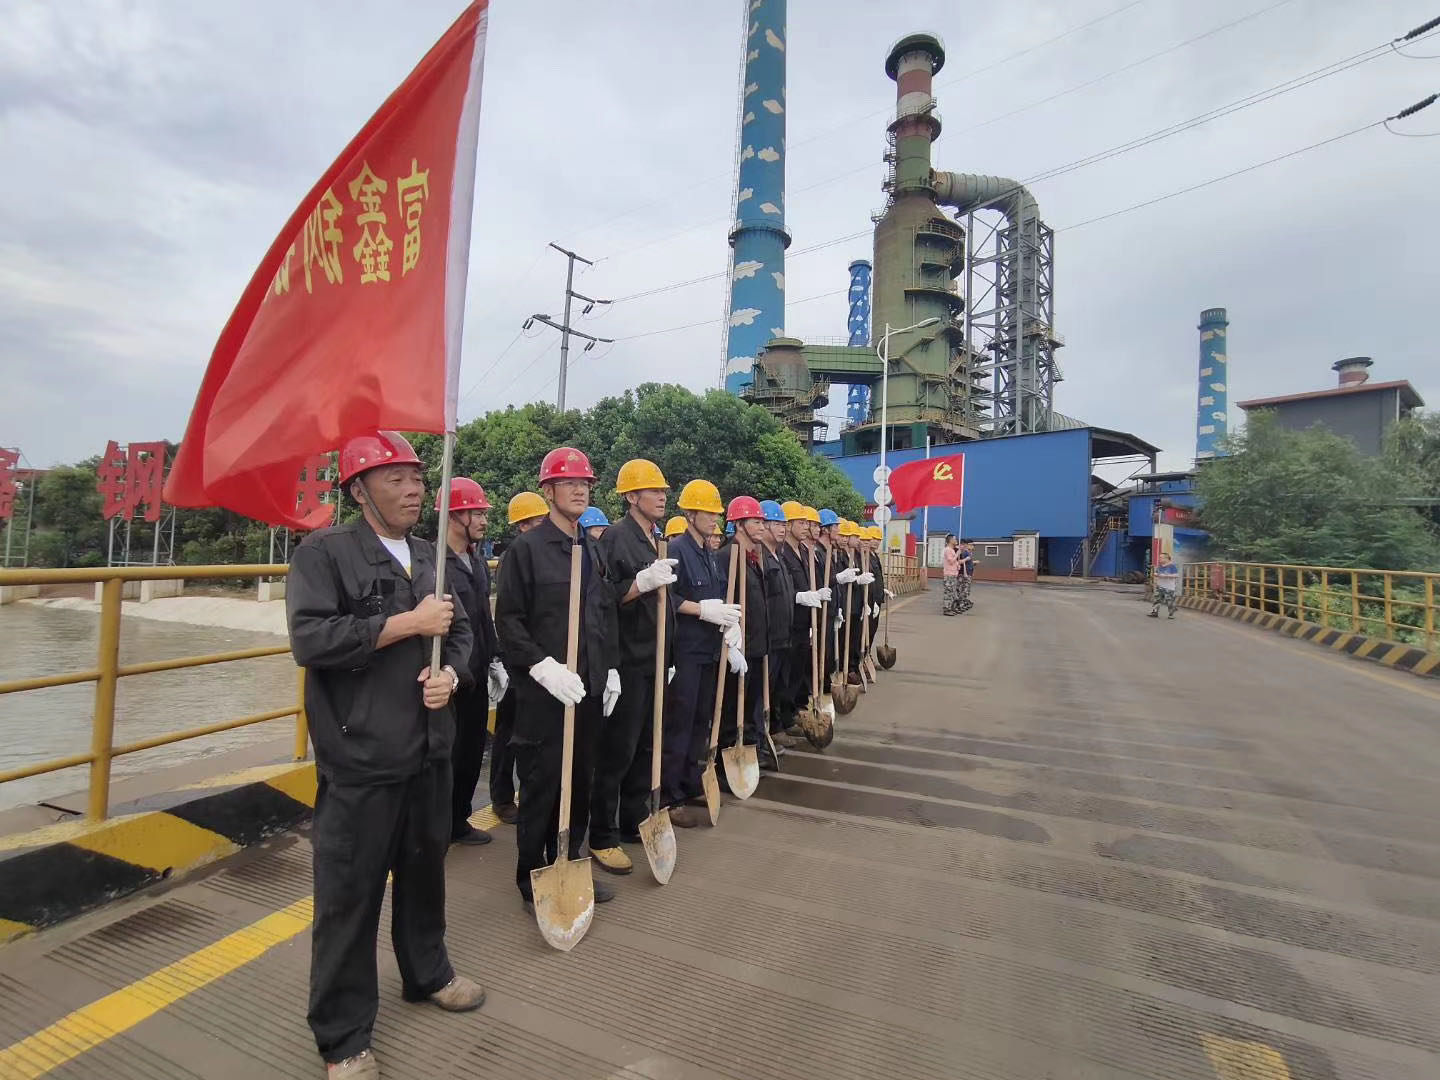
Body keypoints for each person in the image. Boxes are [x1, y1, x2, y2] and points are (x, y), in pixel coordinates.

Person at [287, 431, 484, 1080]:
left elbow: (460, 633)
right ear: (358, 490)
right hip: (362, 757)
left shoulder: (430, 556)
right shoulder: (324, 553)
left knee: (426, 876)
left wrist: (451, 675)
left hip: (430, 750)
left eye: (417, 478)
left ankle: (428, 973)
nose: (412, 489)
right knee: (350, 896)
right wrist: (406, 624)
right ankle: (343, 1037)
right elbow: (312, 640)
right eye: (394, 478)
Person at [493, 448, 622, 911]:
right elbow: (509, 620)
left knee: (580, 781)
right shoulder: (526, 551)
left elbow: (602, 615)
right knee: (543, 785)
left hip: (585, 689)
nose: (579, 489)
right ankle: (532, 877)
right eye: (569, 483)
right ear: (548, 491)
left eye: (585, 483)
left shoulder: (592, 549)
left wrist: (609, 669)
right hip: (544, 693)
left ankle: (570, 862)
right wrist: (541, 667)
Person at [589, 459, 678, 875]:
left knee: (645, 746)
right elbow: (603, 597)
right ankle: (601, 835)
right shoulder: (616, 539)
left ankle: (631, 820)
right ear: (631, 496)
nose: (662, 497)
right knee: (618, 750)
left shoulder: (656, 538)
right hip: (627, 660)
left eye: (663, 490)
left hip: (655, 658)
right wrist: (639, 584)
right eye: (653, 490)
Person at [662, 479, 741, 827]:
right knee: (679, 723)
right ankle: (670, 796)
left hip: (709, 650)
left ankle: (690, 781)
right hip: (685, 652)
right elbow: (668, 598)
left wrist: (728, 621)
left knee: (700, 720)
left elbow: (719, 595)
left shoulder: (709, 553)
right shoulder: (677, 550)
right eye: (708, 513)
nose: (714, 519)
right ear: (690, 514)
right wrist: (701, 610)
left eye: (716, 513)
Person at [438, 477, 506, 848]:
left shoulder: (476, 559)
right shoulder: (434, 562)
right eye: (476, 513)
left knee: (470, 750)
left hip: (477, 671)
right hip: (449, 676)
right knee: (446, 753)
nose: (483, 520)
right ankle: (437, 826)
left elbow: (482, 615)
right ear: (453, 516)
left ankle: (457, 821)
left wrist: (495, 657)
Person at [488, 491, 549, 825]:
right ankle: (501, 795)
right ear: (522, 525)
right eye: (538, 522)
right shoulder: (516, 556)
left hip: (539, 659)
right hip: (518, 660)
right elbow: (509, 615)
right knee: (509, 731)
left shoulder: (541, 553)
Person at [718, 497, 769, 775]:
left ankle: (750, 747)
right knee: (732, 708)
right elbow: (722, 599)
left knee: (750, 705)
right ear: (738, 524)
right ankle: (726, 760)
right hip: (738, 646)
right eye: (755, 521)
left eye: (762, 522)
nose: (761, 526)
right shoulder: (728, 556)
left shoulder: (753, 556)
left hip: (756, 644)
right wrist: (730, 643)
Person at [1150, 551, 1180, 619]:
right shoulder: (1160, 566)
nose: (1159, 559)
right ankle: (1154, 612)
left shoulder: (1172, 566)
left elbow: (1176, 575)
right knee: (1157, 599)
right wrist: (1157, 574)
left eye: (1161, 558)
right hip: (1160, 586)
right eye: (1159, 557)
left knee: (1169, 601)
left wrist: (1166, 576)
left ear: (1166, 558)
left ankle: (1171, 614)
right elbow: (1156, 573)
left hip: (1169, 587)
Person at [941, 533, 961, 616]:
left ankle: (951, 608)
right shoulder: (948, 550)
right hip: (949, 574)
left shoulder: (952, 550)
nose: (956, 540)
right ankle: (946, 609)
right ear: (950, 540)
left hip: (953, 574)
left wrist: (957, 565)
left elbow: (954, 562)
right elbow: (950, 561)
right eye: (955, 539)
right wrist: (957, 554)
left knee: (952, 592)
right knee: (948, 592)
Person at [957, 540, 975, 613]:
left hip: (969, 573)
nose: (973, 546)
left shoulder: (969, 553)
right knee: (964, 589)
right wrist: (965, 573)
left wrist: (973, 563)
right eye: (971, 545)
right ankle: (961, 604)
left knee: (966, 589)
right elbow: (963, 562)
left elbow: (968, 562)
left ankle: (963, 602)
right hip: (965, 573)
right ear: (967, 545)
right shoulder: (965, 553)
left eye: (973, 545)